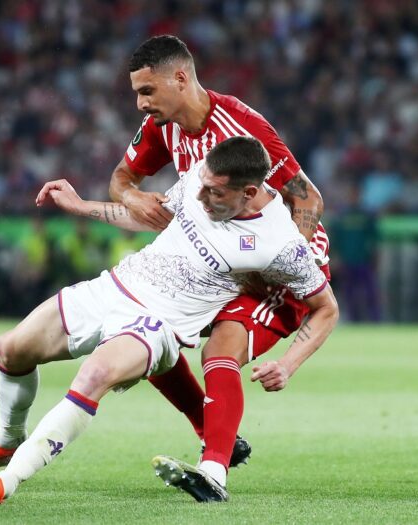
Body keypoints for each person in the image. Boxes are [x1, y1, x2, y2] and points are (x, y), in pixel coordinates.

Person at [0, 137, 338, 505]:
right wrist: (81, 206)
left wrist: (288, 365)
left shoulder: (281, 244)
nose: (201, 197)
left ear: (249, 192)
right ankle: (9, 438)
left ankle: (6, 483)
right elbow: (155, 217)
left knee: (93, 377)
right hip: (115, 287)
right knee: (10, 349)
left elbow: (326, 308)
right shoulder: (201, 176)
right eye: (203, 186)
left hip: (156, 325)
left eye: (215, 193)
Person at [109, 35, 333, 478]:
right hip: (218, 262)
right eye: (137, 92)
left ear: (180, 78)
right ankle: (216, 437)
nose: (140, 104)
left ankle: (213, 470)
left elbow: (308, 199)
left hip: (270, 263)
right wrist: (133, 197)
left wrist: (281, 262)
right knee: (150, 335)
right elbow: (120, 179)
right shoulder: (162, 125)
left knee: (220, 350)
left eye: (147, 91)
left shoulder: (242, 127)